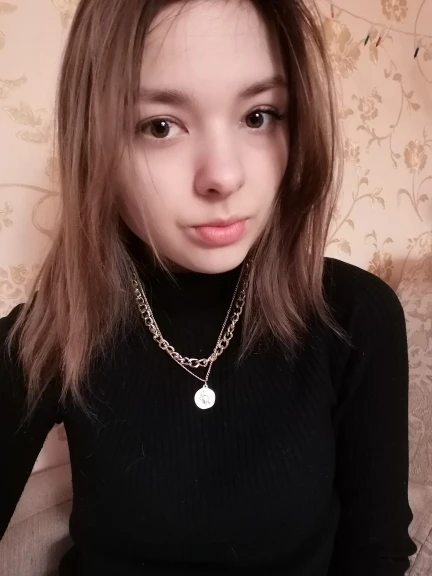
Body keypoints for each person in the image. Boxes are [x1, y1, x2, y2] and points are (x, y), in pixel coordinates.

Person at [0, 0, 416, 574]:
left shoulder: (355, 317)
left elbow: (377, 554)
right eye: (161, 126)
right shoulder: (51, 333)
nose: (224, 175)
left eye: (259, 116)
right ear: (94, 143)